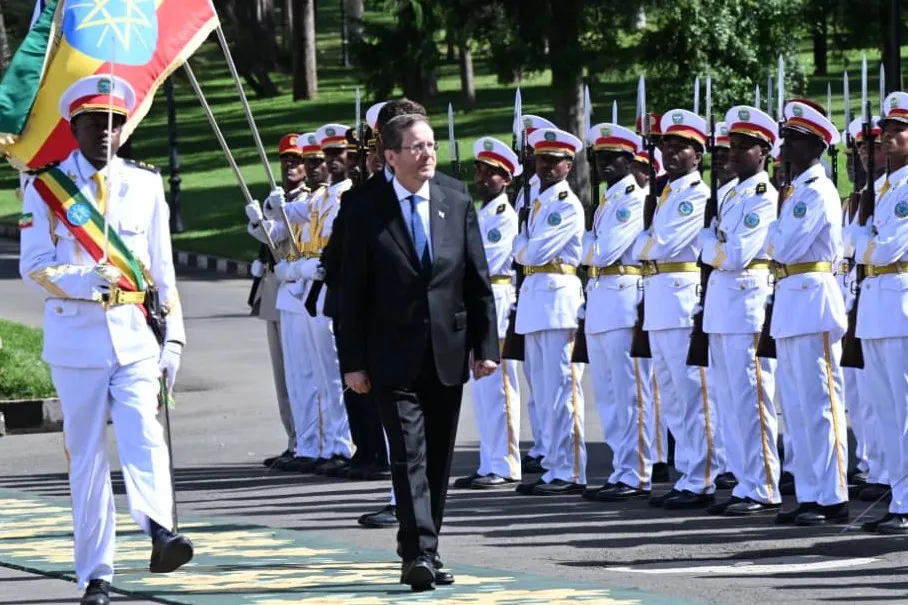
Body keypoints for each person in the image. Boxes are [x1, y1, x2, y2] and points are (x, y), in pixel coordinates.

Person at [18, 74, 193, 605]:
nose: (105, 132)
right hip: (76, 341)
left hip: (136, 336)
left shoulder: (145, 184)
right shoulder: (45, 186)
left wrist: (174, 339)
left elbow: (162, 270)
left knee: (144, 433)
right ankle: (96, 573)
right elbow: (33, 266)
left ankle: (160, 529)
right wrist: (82, 280)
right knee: (87, 459)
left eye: (115, 123)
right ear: (74, 127)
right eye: (95, 122)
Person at [338, 113, 499, 591]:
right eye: (416, 147)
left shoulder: (455, 198)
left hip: (447, 349)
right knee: (408, 455)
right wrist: (353, 362)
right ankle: (419, 554)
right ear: (391, 156)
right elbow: (351, 292)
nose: (427, 154)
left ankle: (428, 546)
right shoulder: (365, 207)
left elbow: (476, 279)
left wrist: (485, 346)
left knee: (437, 460)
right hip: (390, 355)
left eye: (431, 145)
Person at [631, 109, 720, 510]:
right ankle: (687, 472)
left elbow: (658, 245)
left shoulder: (696, 195)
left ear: (698, 155)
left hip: (681, 300)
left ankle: (703, 476)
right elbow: (648, 246)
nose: (671, 152)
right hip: (659, 300)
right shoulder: (665, 193)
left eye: (681, 146)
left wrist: (645, 240)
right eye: (667, 145)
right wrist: (647, 240)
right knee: (671, 396)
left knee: (692, 394)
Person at [767, 100, 849, 527]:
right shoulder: (795, 190)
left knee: (820, 404)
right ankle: (809, 493)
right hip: (792, 302)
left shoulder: (816, 190)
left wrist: (773, 233)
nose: (784, 147)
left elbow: (782, 247)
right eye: (785, 138)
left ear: (815, 145)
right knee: (796, 408)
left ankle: (832, 495)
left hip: (813, 301)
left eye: (794, 140)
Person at [698, 105, 782, 516]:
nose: (733, 152)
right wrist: (712, 244)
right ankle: (744, 482)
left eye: (744, 146)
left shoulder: (764, 197)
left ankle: (763, 485)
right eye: (731, 145)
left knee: (752, 399)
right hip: (722, 307)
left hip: (747, 304)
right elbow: (722, 251)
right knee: (728, 401)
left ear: (763, 151)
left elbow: (734, 255)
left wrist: (706, 241)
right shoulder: (731, 194)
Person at [512, 127, 588, 497]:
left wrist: (521, 244)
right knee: (543, 393)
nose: (546, 166)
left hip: (558, 301)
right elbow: (524, 251)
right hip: (536, 300)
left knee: (563, 391)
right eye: (542, 159)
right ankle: (554, 465)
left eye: (554, 161)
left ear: (568, 166)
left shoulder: (565, 204)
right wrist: (522, 245)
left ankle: (570, 469)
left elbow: (531, 252)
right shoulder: (538, 202)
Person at [580, 121, 654, 502]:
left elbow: (601, 252)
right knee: (608, 397)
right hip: (601, 300)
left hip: (622, 300)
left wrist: (587, 245)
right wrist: (589, 247)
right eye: (601, 157)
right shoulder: (609, 200)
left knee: (630, 395)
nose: (605, 163)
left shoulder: (631, 200)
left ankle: (636, 471)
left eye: (614, 157)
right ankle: (621, 468)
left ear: (630, 160)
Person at [246, 132, 326, 473]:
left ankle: (311, 440)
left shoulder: (311, 200)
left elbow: (295, 242)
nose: (291, 165)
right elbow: (271, 238)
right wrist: (257, 222)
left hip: (300, 287)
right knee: (285, 374)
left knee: (306, 371)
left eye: (297, 160)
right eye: (286, 160)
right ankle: (296, 439)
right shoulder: (277, 198)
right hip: (275, 290)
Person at [850, 91, 908, 534]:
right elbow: (852, 246)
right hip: (875, 304)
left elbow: (886, 248)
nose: (887, 136)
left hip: (900, 301)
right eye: (885, 128)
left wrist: (862, 235)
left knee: (904, 409)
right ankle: (898, 494)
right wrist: (862, 232)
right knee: (885, 409)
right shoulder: (883, 188)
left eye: (897, 129)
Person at [452, 136, 522, 490]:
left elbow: (485, 261)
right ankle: (489, 461)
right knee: (482, 390)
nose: (481, 177)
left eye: (490, 172)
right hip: (477, 300)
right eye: (479, 170)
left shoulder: (505, 217)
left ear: (506, 179)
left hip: (497, 298)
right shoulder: (481, 214)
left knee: (499, 387)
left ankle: (506, 462)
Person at [841, 114, 890, 504]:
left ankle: (890, 475)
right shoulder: (856, 200)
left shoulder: (892, 192)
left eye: (871, 146)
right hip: (856, 304)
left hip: (886, 301)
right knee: (864, 399)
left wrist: (859, 239)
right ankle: (877, 469)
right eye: (859, 148)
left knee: (888, 399)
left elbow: (874, 249)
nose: (863, 154)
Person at [513, 114, 556, 476]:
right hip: (528, 289)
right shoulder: (524, 189)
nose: (528, 155)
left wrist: (521, 249)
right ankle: (542, 445)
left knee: (553, 382)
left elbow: (528, 250)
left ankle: (554, 450)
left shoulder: (552, 194)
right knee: (535, 379)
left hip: (548, 288)